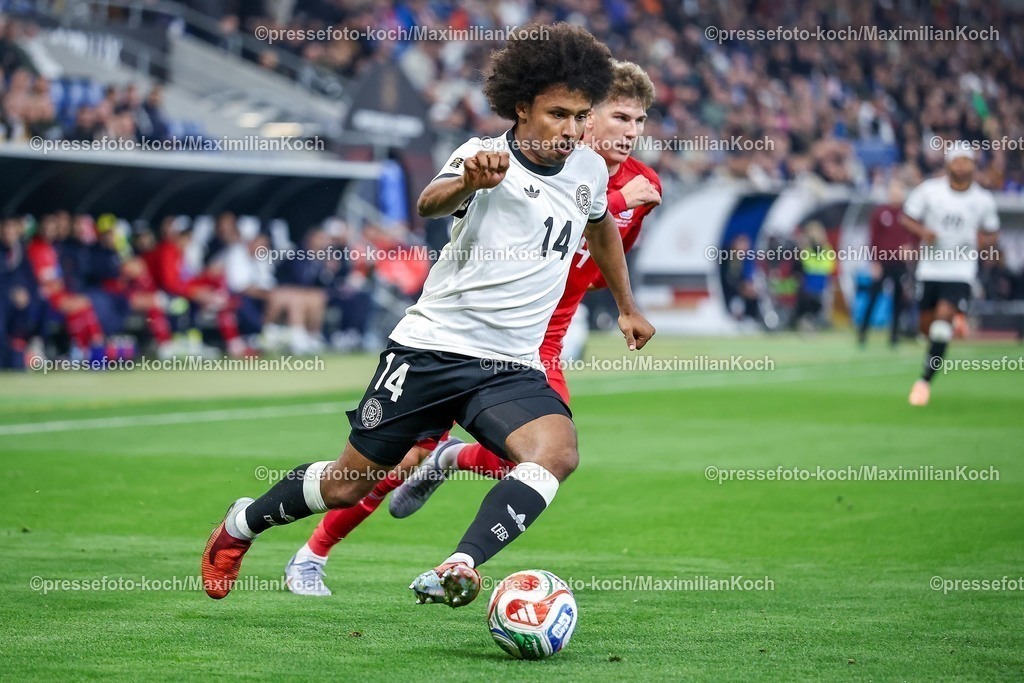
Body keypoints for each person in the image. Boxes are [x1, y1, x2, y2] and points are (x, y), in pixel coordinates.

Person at [201, 24, 655, 607]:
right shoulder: (483, 156)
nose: (570, 129)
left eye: (580, 116)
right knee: (346, 486)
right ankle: (241, 524)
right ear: (522, 107)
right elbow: (430, 202)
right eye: (557, 114)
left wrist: (627, 306)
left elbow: (601, 229)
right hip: (432, 350)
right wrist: (468, 182)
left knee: (557, 454)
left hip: (509, 364)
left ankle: (460, 563)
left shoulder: (587, 169)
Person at [902, 145, 999, 406]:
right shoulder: (930, 191)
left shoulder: (982, 199)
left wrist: (983, 242)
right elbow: (907, 217)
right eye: (958, 161)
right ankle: (955, 321)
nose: (962, 166)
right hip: (930, 268)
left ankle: (924, 381)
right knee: (926, 328)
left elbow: (992, 232)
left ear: (973, 165)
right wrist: (924, 233)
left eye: (967, 161)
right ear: (948, 164)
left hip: (960, 270)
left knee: (941, 324)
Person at [857, 179, 917, 347]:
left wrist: (912, 249)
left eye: (898, 191)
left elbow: (915, 236)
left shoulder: (908, 214)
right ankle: (863, 332)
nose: (895, 194)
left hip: (900, 263)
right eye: (893, 191)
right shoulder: (880, 212)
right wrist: (874, 262)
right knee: (873, 296)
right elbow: (873, 239)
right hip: (883, 262)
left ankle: (894, 335)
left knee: (899, 299)